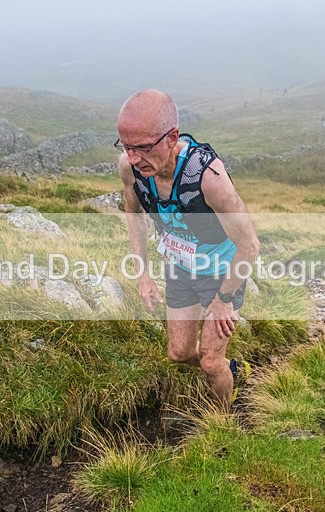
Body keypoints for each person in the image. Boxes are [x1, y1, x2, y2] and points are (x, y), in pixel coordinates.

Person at [116, 89, 260, 410]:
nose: (134, 158)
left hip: (223, 273)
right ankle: (231, 369)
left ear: (172, 138)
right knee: (179, 353)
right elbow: (134, 215)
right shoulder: (130, 168)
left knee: (209, 362)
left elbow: (249, 246)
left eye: (143, 147)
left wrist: (223, 300)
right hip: (181, 268)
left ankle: (223, 421)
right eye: (127, 147)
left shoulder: (209, 178)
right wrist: (143, 274)